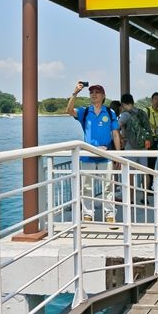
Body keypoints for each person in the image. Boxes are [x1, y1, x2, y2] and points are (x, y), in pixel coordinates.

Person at [66, 82, 121, 223]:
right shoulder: (85, 111)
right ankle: (88, 213)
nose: (94, 94)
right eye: (91, 92)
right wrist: (75, 93)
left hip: (106, 154)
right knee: (87, 186)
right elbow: (69, 110)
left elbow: (115, 134)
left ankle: (109, 214)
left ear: (103, 96)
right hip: (87, 155)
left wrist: (118, 156)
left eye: (97, 92)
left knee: (108, 185)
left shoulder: (110, 112)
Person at [119, 93, 152, 201]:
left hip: (131, 147)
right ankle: (145, 197)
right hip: (143, 147)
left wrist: (120, 137)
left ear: (123, 104)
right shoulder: (142, 112)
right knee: (145, 173)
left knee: (130, 174)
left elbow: (115, 127)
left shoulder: (125, 115)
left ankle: (131, 199)